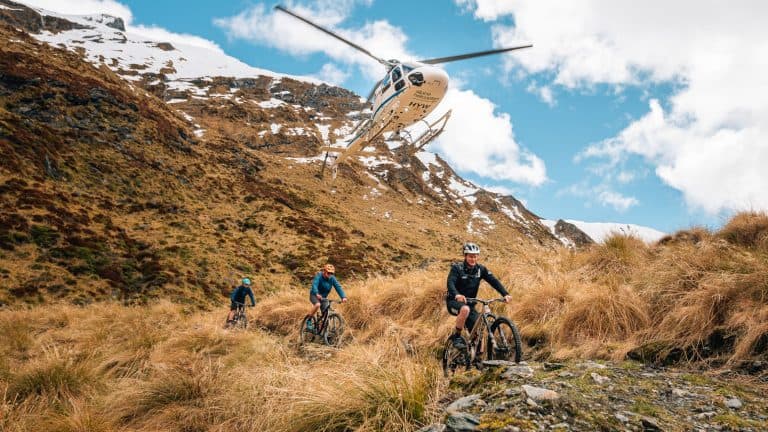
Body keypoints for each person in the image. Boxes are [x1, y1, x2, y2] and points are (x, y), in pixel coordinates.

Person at [446, 242, 512, 348]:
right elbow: (451, 283)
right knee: (465, 309)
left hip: (470, 304)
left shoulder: (480, 269)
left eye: (475, 256)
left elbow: (493, 281)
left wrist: (505, 294)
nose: (473, 259)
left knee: (478, 331)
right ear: (465, 256)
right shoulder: (457, 268)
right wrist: (457, 295)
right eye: (471, 256)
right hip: (454, 302)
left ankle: (473, 353)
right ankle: (457, 337)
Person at [305, 264, 347, 329]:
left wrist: (343, 297)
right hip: (314, 295)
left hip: (323, 298)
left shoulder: (332, 278)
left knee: (326, 314)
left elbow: (338, 287)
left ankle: (322, 330)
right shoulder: (319, 276)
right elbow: (314, 285)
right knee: (317, 305)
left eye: (331, 273)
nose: (330, 274)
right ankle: (309, 320)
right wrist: (316, 293)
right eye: (328, 273)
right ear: (324, 271)